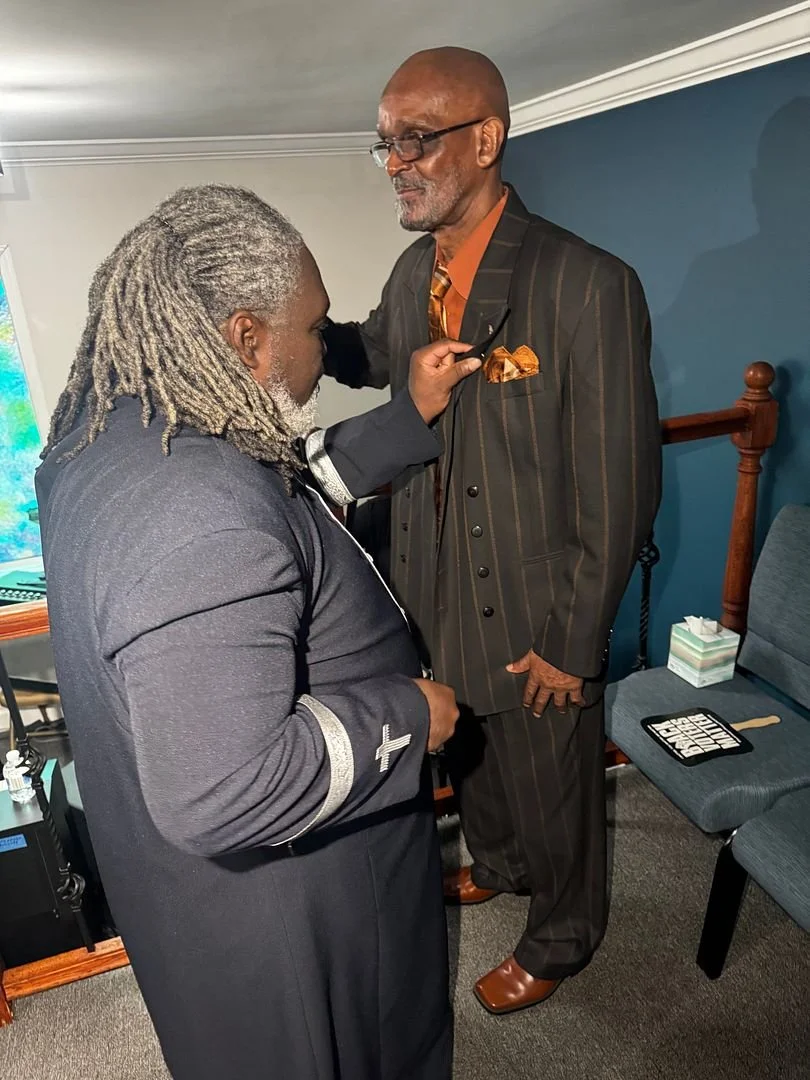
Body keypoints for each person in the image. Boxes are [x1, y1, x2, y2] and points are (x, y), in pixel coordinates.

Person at [35, 183, 482, 1080]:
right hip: (299, 903)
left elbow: (286, 498)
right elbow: (224, 791)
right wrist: (408, 714)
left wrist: (408, 417)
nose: (323, 350)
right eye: (314, 329)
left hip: (189, 898)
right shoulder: (199, 508)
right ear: (246, 339)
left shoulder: (116, 433)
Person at [322, 48, 662, 1014]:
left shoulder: (588, 284)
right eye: (386, 144)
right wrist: (294, 329)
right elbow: (373, 352)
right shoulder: (411, 270)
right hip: (430, 590)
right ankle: (501, 865)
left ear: (486, 138)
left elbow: (622, 484)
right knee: (471, 756)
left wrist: (573, 639)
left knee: (555, 788)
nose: (396, 163)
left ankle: (562, 932)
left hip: (536, 604)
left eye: (417, 140)